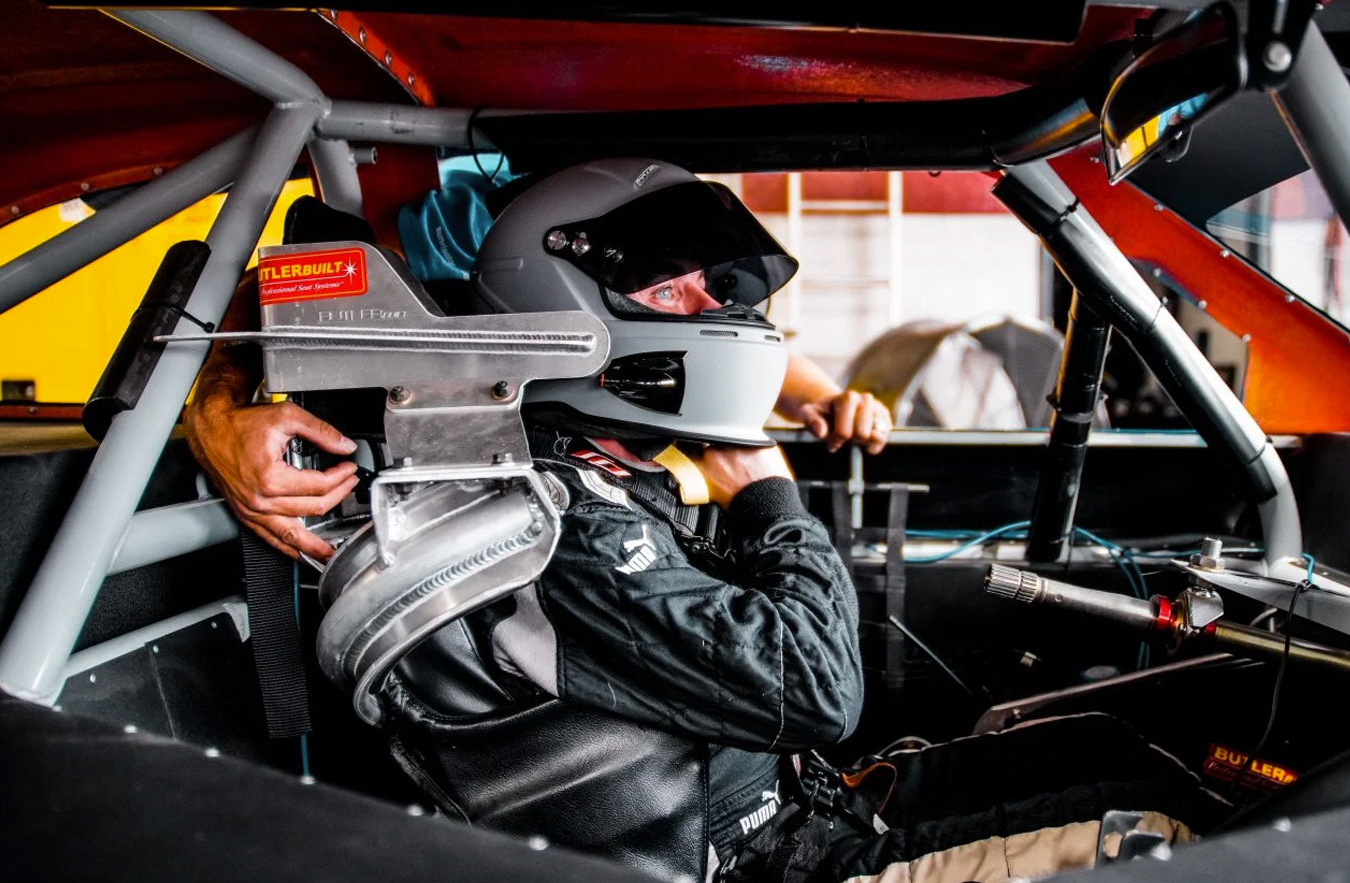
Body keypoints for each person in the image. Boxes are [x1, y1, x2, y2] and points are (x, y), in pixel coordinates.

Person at [185, 159, 1221, 883]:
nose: (712, 308)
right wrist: (765, 489)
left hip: (800, 818)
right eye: (671, 288)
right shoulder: (558, 519)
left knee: (1095, 745)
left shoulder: (607, 476)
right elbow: (817, 692)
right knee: (1167, 828)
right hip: (767, 869)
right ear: (569, 301)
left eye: (712, 287)